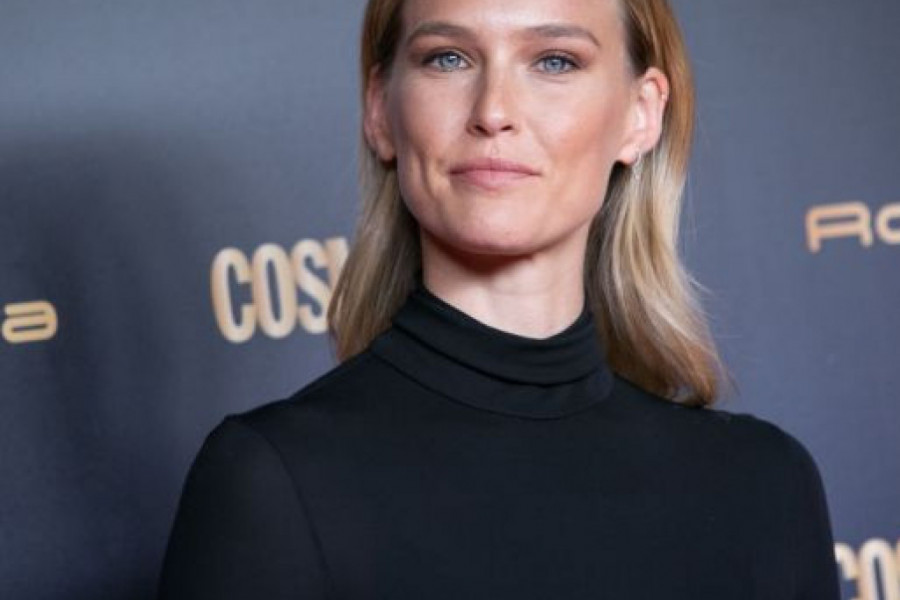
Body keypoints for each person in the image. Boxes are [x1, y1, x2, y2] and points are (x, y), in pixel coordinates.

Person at [158, 0, 842, 597]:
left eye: (554, 62)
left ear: (640, 115)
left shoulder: (765, 485)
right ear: (380, 111)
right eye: (448, 58)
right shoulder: (271, 481)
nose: (493, 113)